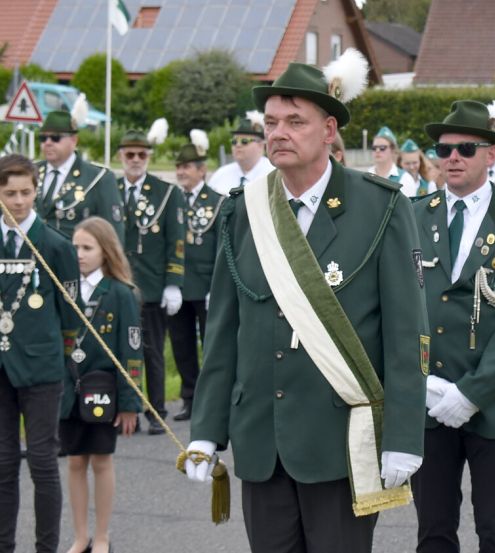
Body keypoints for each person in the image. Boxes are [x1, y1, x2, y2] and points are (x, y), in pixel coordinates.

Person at [185, 59, 428, 552]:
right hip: (261, 440)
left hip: (341, 440)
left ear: (329, 130)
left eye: (295, 122)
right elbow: (223, 330)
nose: (278, 133)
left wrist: (404, 434)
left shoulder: (381, 206)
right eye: (271, 123)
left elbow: (407, 333)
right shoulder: (242, 209)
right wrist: (206, 429)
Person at [411, 100, 495, 553]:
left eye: (465, 148)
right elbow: (398, 307)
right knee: (433, 529)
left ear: (491, 155)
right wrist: (424, 384)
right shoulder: (412, 216)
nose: (452, 157)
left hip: (493, 403)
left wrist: (471, 393)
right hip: (429, 398)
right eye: (444, 148)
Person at [0, 153, 79, 553]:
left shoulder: (55, 245)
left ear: (36, 192)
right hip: (1, 366)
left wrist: (65, 364)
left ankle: (46, 547)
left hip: (42, 369)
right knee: (2, 463)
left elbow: (71, 316)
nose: (17, 201)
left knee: (43, 463)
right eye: (9, 193)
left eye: (25, 192)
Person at [62, 216, 142, 553]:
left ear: (105, 251)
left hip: (103, 395)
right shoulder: (63, 288)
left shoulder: (120, 293)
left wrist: (129, 403)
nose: (79, 254)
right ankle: (81, 535)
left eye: (87, 248)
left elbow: (131, 351)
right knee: (75, 461)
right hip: (68, 392)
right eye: (75, 247)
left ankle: (103, 534)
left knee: (101, 461)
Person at [117, 128, 186, 433]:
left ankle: (156, 411)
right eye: (129, 154)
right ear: (121, 156)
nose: (135, 160)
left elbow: (177, 240)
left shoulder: (166, 192)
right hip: (117, 285)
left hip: (153, 286)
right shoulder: (110, 189)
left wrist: (173, 282)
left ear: (149, 157)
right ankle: (122, 410)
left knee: (152, 351)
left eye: (141, 154)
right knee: (118, 350)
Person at [166, 142, 223, 423]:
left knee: (213, 347)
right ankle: (189, 398)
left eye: (187, 166)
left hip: (206, 285)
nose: (181, 172)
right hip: (179, 285)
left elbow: (221, 247)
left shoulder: (217, 202)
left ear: (202, 170)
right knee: (182, 345)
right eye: (178, 167)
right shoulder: (171, 199)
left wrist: (217, 286)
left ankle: (214, 400)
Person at [35, 111, 124, 239]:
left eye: (55, 138)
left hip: (76, 256)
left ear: (74, 140)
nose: (48, 143)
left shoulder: (98, 177)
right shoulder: (31, 171)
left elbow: (113, 233)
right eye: (43, 138)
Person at [207, 112, 275, 196]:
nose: (238, 145)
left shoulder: (273, 174)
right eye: (234, 141)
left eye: (244, 141)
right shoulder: (220, 174)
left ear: (260, 145)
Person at [369, 126, 416, 193]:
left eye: (382, 148)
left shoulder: (405, 179)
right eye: (374, 148)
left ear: (393, 150)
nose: (377, 150)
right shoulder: (366, 175)